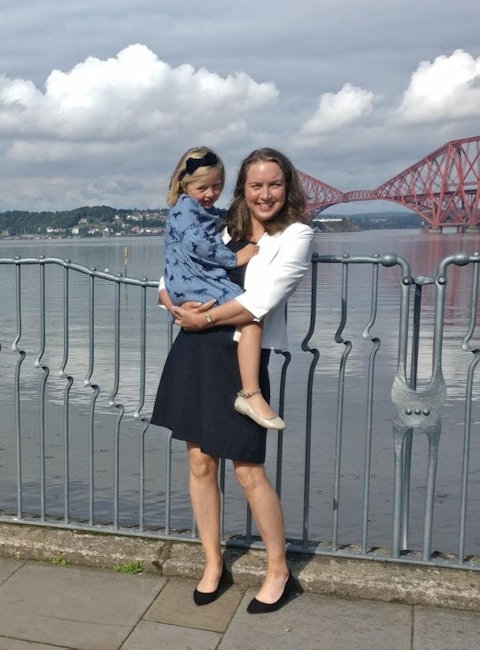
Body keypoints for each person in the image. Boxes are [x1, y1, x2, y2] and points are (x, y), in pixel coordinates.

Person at [151, 147, 314, 614]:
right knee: (200, 462)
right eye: (256, 185)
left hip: (240, 350)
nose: (265, 194)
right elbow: (169, 275)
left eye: (274, 184)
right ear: (243, 188)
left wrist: (203, 319)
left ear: (288, 188)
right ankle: (212, 563)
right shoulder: (221, 226)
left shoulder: (296, 236)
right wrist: (174, 307)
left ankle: (278, 570)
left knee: (246, 468)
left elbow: (259, 302)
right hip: (195, 346)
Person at [161, 146, 284, 430]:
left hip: (182, 283)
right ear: (183, 184)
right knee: (250, 315)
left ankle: (249, 393)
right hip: (192, 283)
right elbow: (198, 244)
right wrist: (234, 258)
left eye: (217, 186)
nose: (211, 193)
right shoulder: (186, 209)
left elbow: (216, 219)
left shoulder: (191, 208)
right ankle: (251, 394)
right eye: (202, 187)